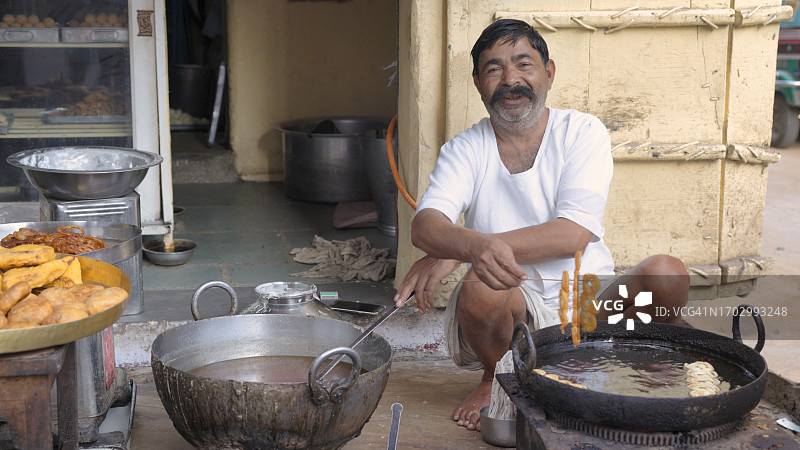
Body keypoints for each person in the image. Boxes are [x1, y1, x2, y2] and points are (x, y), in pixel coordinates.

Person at [393, 19, 689, 431]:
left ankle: (648, 359)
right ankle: (496, 378)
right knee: (480, 285)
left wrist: (462, 248)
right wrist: (467, 249)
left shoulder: (582, 132)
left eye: (523, 64)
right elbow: (425, 226)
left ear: (548, 73)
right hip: (519, 309)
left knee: (667, 274)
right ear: (478, 82)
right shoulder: (464, 149)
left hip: (590, 300)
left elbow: (573, 234)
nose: (510, 79)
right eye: (494, 69)